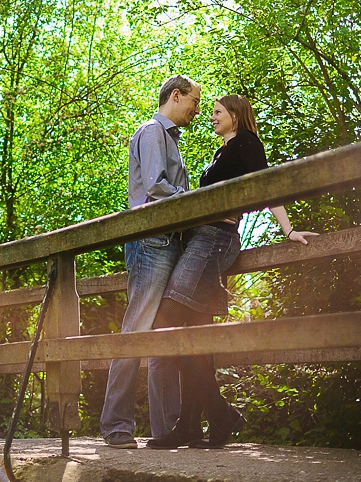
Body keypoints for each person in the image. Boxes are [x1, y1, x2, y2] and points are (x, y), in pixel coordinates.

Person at [146, 94, 317, 450]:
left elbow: (268, 185)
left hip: (215, 239)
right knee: (194, 336)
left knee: (166, 321)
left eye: (217, 112)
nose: (210, 117)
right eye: (209, 113)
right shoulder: (221, 152)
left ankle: (219, 414)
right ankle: (190, 426)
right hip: (200, 241)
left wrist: (288, 230)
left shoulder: (246, 143)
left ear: (235, 116)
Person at [100, 74, 202, 449]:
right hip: (153, 243)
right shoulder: (152, 132)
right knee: (136, 333)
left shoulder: (168, 139)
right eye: (194, 100)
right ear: (176, 96)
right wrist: (198, 203)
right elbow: (158, 186)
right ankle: (115, 426)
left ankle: (167, 430)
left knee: (163, 335)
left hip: (169, 242)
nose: (196, 109)